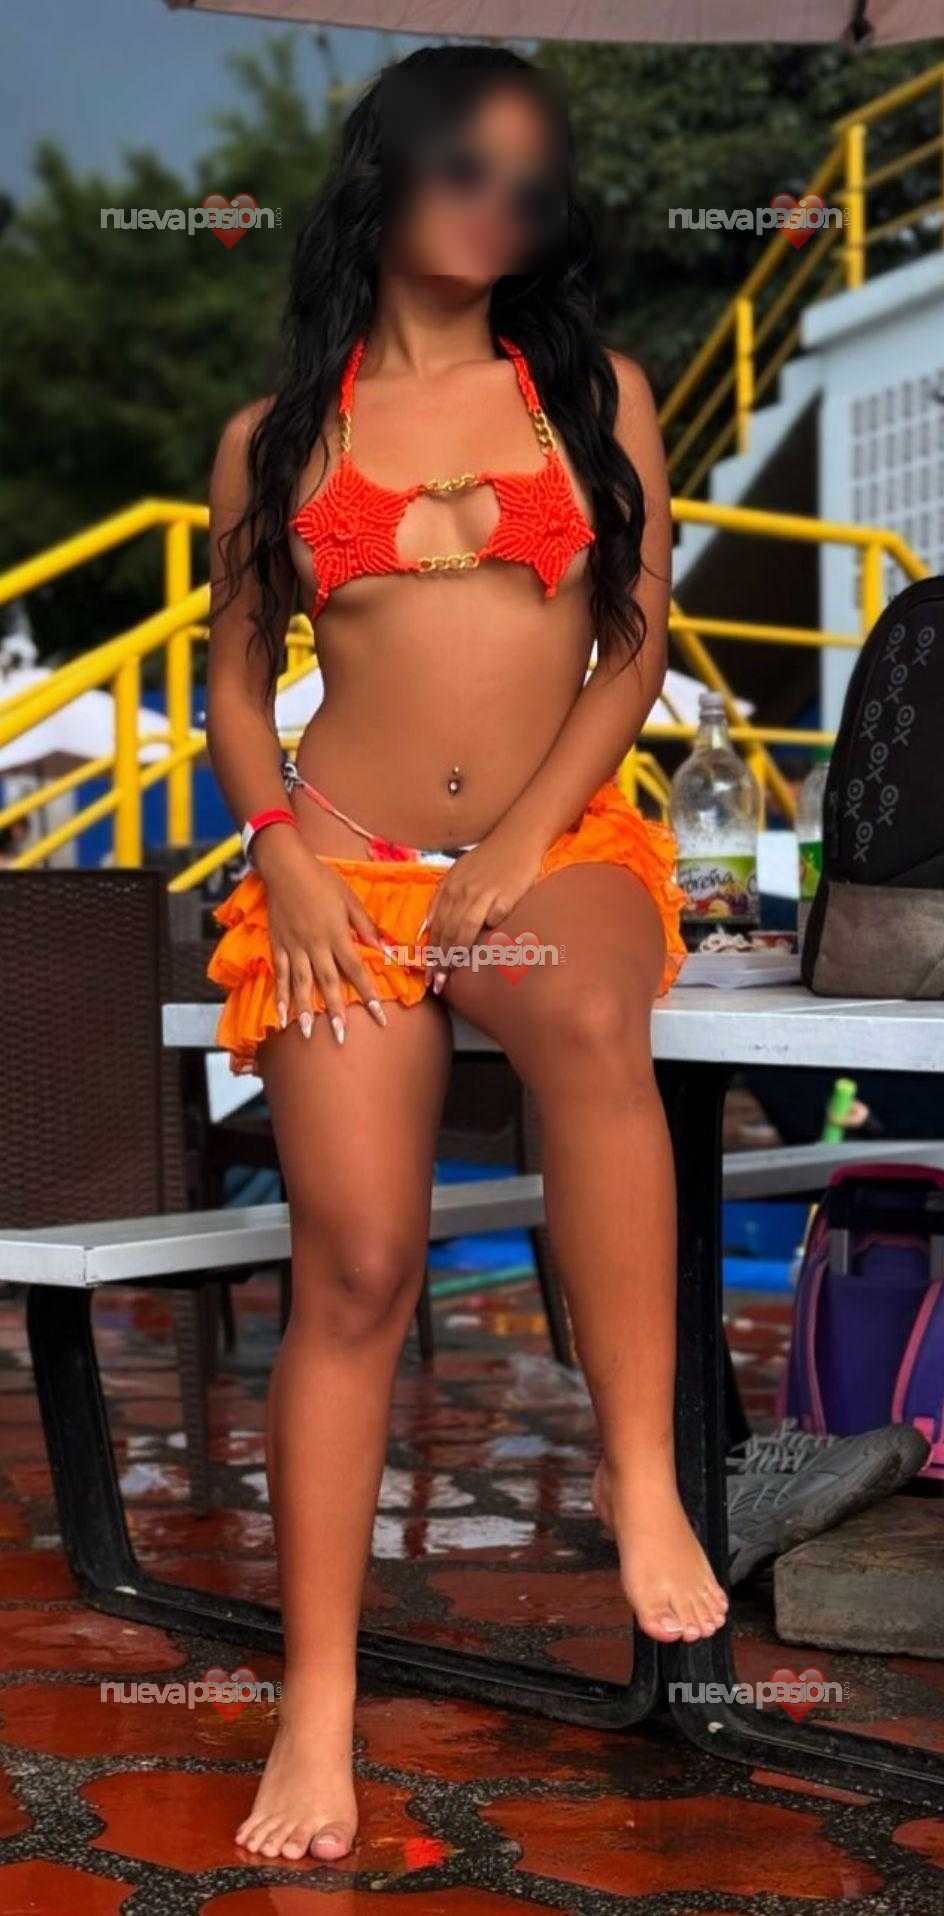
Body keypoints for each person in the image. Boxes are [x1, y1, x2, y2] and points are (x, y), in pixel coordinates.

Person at [204, 43, 728, 1865]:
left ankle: (641, 1474)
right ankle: (316, 1701)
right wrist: (285, 861)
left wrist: (514, 844)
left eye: (527, 180)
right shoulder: (277, 436)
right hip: (340, 866)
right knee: (355, 1264)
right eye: (463, 166)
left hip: (549, 842)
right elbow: (235, 683)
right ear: (390, 171)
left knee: (584, 1012)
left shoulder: (595, 394)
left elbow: (633, 644)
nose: (495, 204)